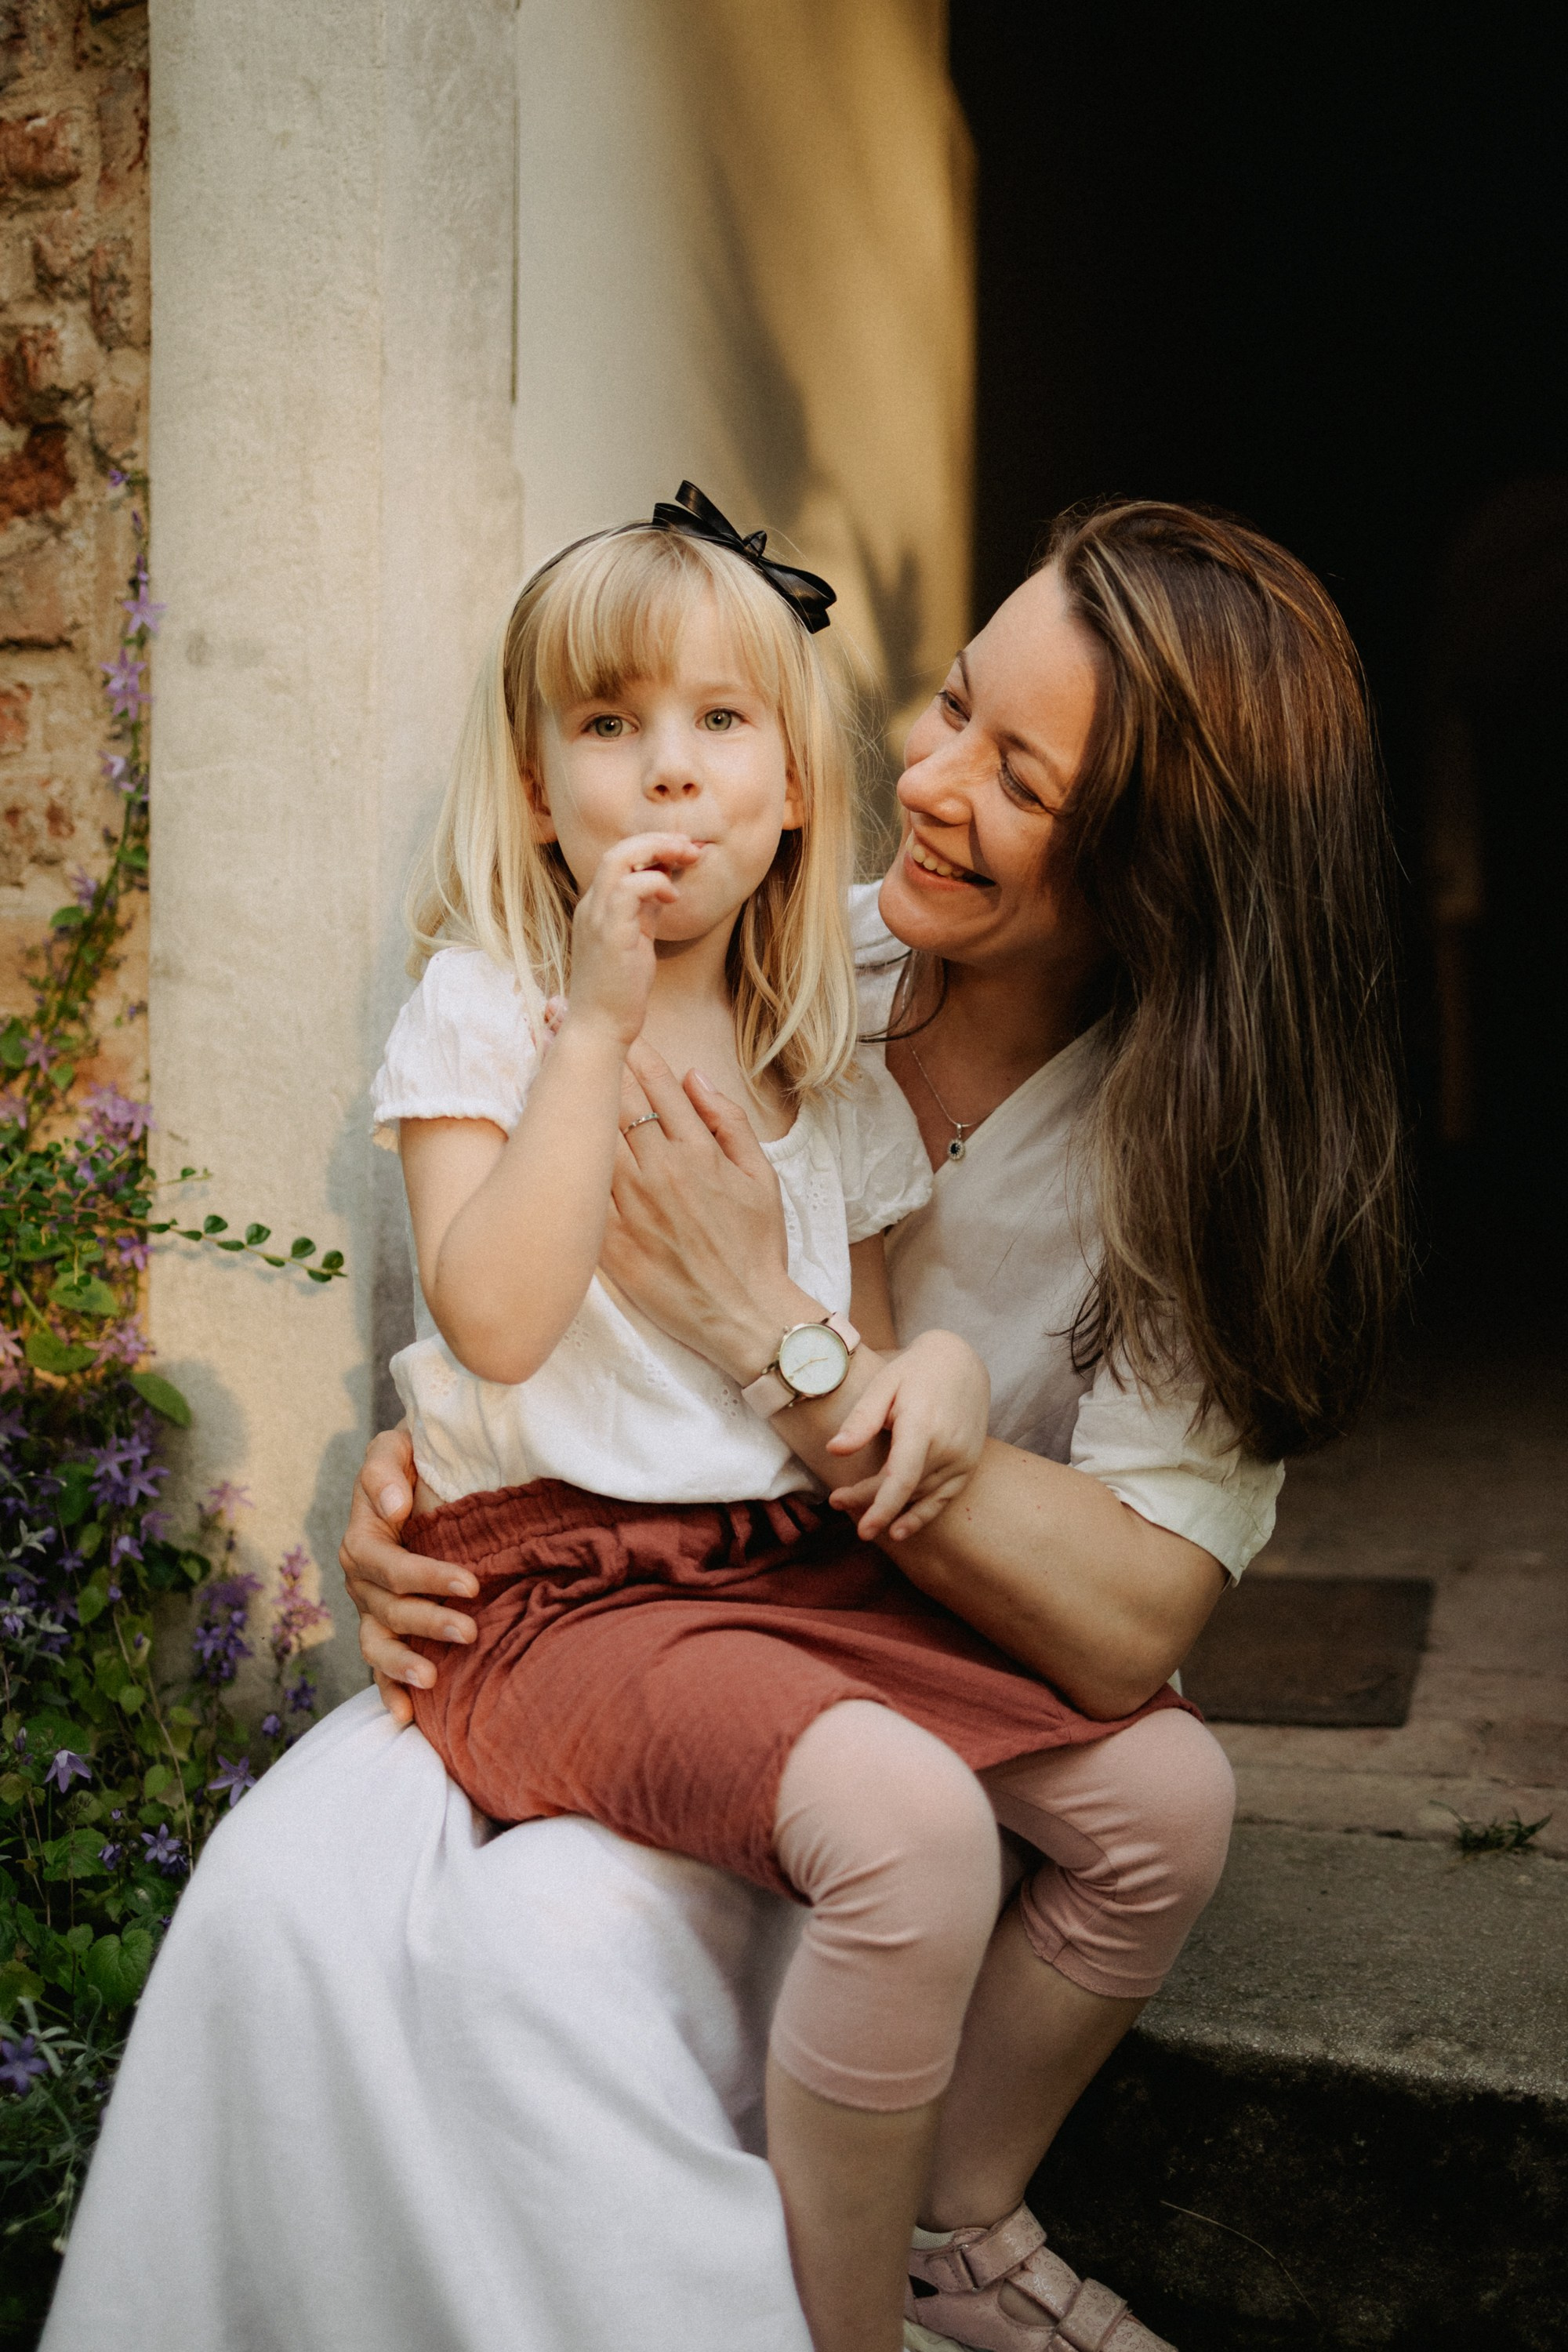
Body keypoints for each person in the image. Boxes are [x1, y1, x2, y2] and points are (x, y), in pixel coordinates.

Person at [44, 501, 1403, 2352]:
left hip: (808, 1583)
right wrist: (422, 1476)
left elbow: (1096, 1582)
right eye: (941, 707)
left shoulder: (1125, 1133)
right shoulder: (763, 982)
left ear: (1161, 871)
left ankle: (954, 2219)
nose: (922, 779)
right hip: (612, 1597)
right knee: (504, 1917)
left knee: (1167, 1797)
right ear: (534, 788)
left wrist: (810, 1353)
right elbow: (498, 1322)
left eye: (1014, 775)